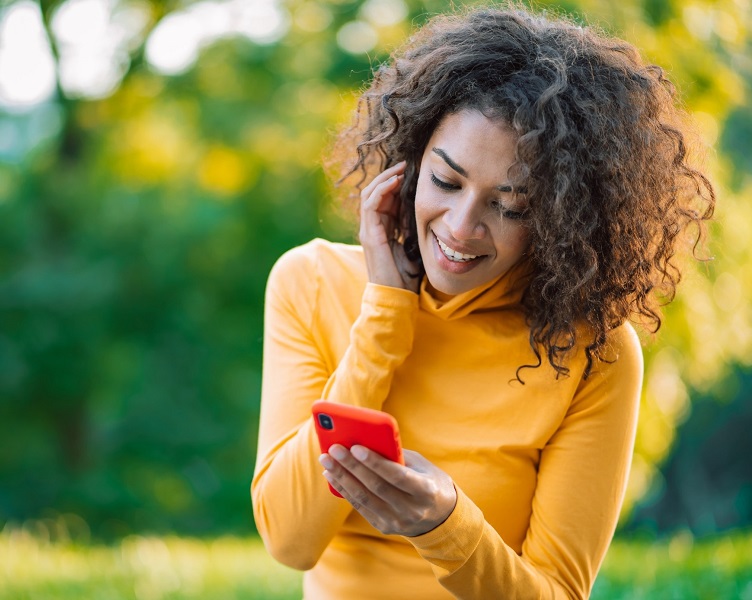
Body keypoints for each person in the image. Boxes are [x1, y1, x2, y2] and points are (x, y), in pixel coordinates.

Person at [251, 5, 715, 599]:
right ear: (410, 165)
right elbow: (290, 542)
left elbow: (558, 594)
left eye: (510, 206)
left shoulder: (595, 354)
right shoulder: (309, 282)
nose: (462, 227)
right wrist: (383, 320)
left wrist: (443, 525)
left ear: (559, 221)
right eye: (446, 182)